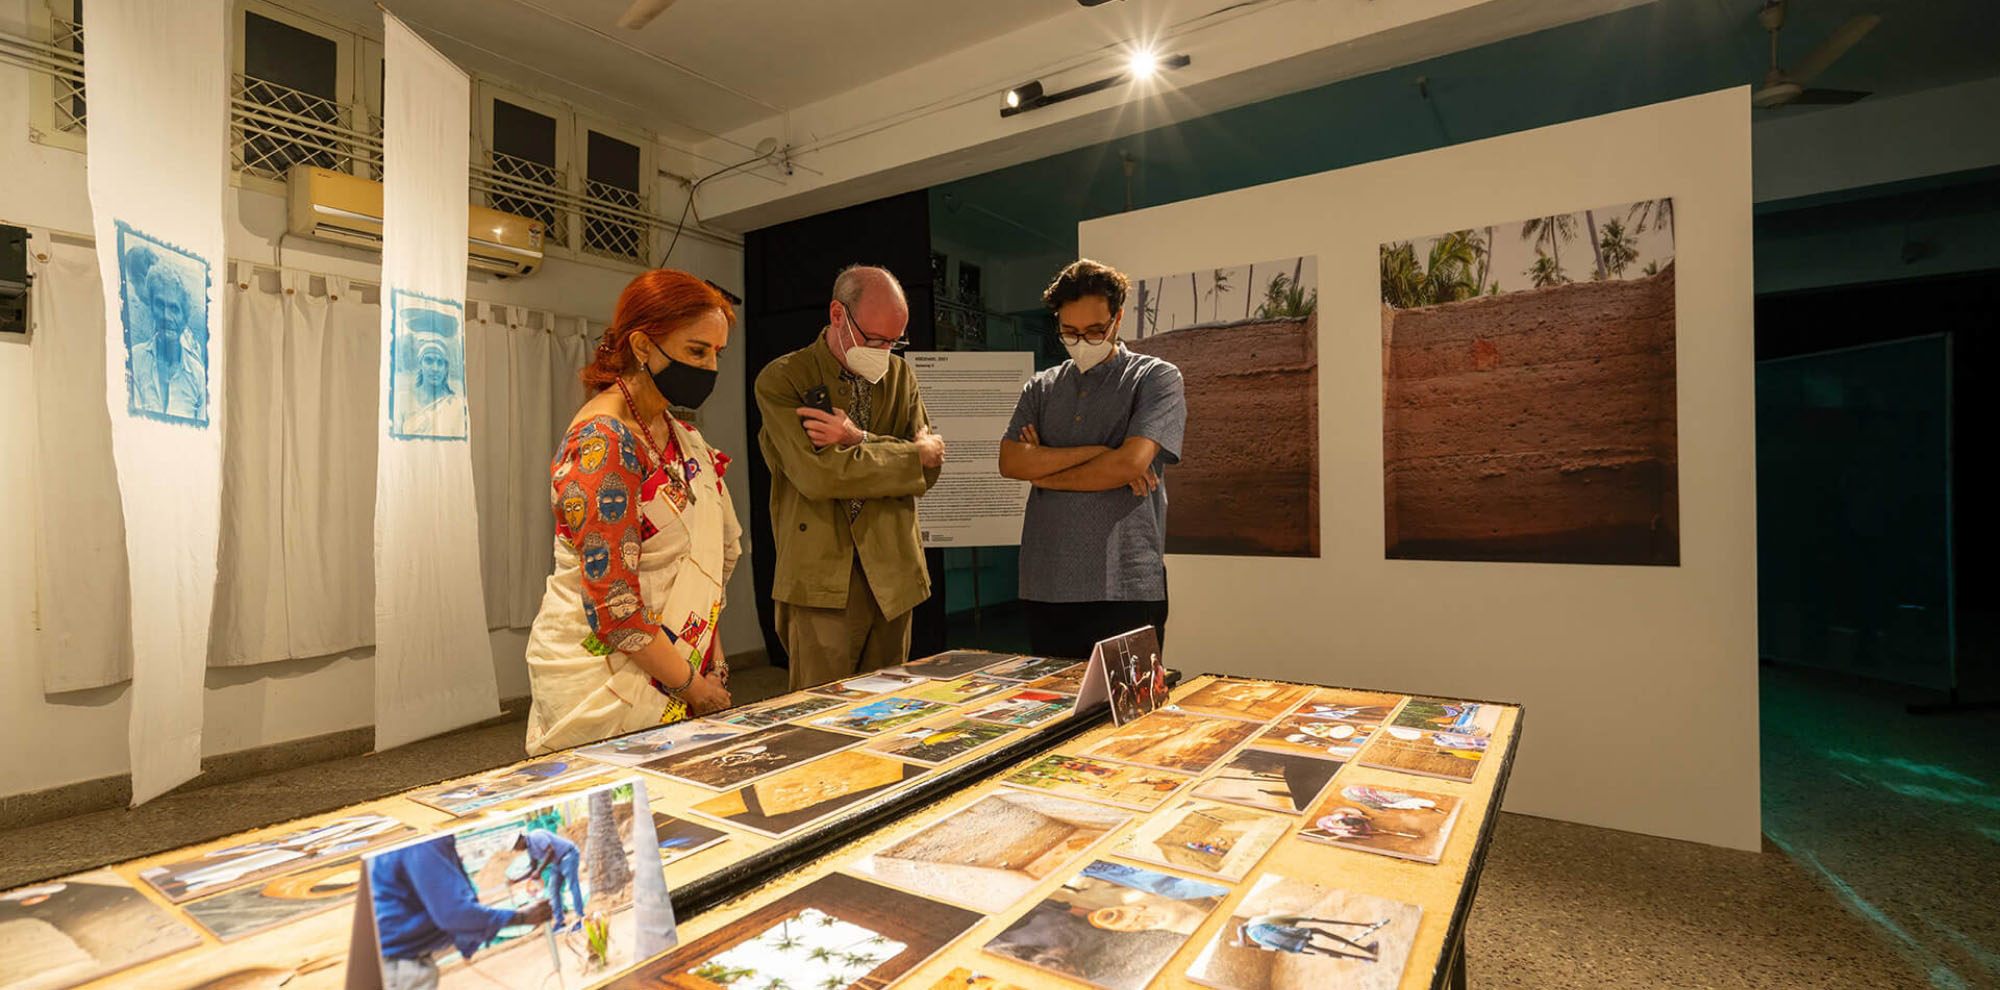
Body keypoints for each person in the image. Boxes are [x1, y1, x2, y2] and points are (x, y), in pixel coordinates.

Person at [523, 270, 742, 754]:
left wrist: (710, 656)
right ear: (643, 346)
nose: (709, 369)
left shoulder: (676, 434)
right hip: (605, 681)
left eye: (716, 355)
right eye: (696, 351)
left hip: (682, 662)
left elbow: (697, 568)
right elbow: (615, 607)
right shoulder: (604, 440)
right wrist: (692, 686)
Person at [756, 265, 945, 689]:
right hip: (821, 579)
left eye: (895, 341)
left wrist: (855, 438)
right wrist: (907, 458)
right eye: (875, 339)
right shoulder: (784, 378)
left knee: (888, 712)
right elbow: (818, 476)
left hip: (894, 574)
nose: (885, 350)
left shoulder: (901, 376)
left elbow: (929, 473)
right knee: (818, 717)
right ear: (837, 315)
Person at [999, 259, 1186, 660]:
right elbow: (1011, 462)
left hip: (1126, 586)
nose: (1081, 341)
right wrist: (1100, 452)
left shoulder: (1156, 378)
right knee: (1056, 714)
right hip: (1045, 583)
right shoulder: (1041, 387)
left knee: (1129, 718)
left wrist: (1045, 471)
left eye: (1094, 331)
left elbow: (1130, 464)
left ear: (1117, 319)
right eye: (1069, 332)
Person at [371, 835, 554, 990]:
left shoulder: (415, 842)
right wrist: (522, 917)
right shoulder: (424, 843)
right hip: (399, 969)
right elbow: (454, 915)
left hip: (398, 964)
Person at [128, 266, 207, 421]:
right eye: (160, 305)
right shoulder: (134, 360)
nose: (166, 316)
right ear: (151, 307)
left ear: (185, 318)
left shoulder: (197, 375)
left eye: (174, 308)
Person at [395, 310, 469, 437]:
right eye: (429, 360)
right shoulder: (402, 400)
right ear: (420, 364)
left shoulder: (456, 405)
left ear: (446, 368)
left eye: (440, 362)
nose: (435, 368)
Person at [511, 828, 584, 933]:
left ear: (520, 841)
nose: (517, 850)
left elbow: (551, 850)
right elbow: (533, 868)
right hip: (557, 862)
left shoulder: (536, 836)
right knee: (553, 890)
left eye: (516, 847)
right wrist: (516, 880)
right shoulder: (530, 850)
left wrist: (539, 871)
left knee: (573, 886)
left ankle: (580, 918)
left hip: (568, 855)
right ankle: (559, 922)